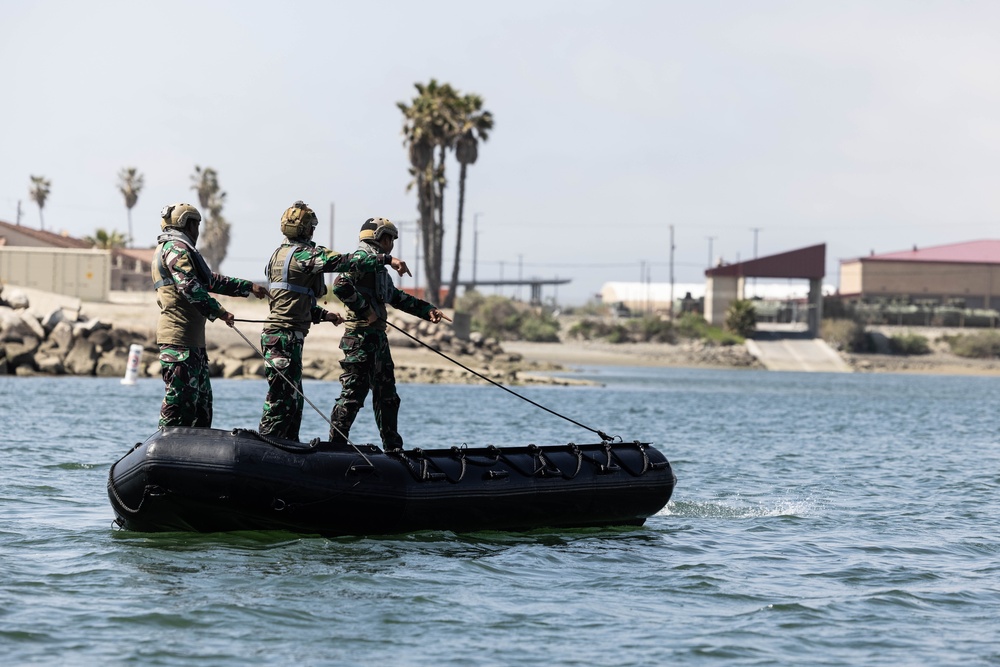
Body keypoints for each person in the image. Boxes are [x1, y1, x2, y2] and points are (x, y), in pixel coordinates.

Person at [258, 201, 410, 441]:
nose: (313, 231)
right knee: (282, 399)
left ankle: (287, 449)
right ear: (306, 229)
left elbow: (291, 298)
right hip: (284, 336)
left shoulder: (280, 254)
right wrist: (386, 260)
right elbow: (344, 263)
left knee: (293, 400)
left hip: (286, 335)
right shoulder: (305, 254)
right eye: (312, 227)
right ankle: (265, 447)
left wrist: (323, 315)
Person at [328, 217, 447, 451]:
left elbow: (397, 297)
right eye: (389, 239)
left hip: (378, 340)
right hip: (359, 339)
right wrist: (365, 309)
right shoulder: (361, 259)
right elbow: (340, 284)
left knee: (388, 397)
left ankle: (393, 449)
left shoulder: (380, 271)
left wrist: (427, 310)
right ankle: (334, 448)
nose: (391, 244)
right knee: (353, 396)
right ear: (379, 238)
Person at [152, 202, 267, 428]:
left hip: (193, 345)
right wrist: (219, 312)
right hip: (179, 344)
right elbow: (190, 288)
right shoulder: (175, 249)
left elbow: (210, 281)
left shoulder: (183, 250)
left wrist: (248, 288)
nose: (198, 231)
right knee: (179, 407)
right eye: (196, 225)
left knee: (201, 411)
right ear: (187, 224)